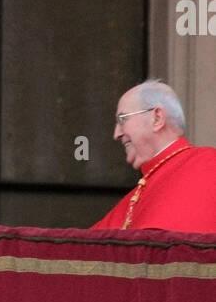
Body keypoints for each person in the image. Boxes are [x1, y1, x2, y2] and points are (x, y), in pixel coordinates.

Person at [92, 79, 216, 233]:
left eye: (123, 119)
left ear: (157, 118)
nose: (116, 134)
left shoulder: (208, 165)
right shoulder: (142, 188)